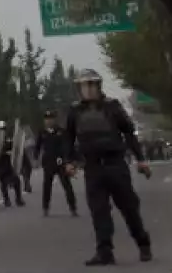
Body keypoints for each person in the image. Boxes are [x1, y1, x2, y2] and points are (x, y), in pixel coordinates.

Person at [64, 69, 153, 266]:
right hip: (92, 168)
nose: (87, 90)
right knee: (99, 211)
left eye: (90, 85)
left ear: (98, 86)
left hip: (115, 166)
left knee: (129, 208)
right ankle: (104, 251)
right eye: (83, 86)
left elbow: (129, 133)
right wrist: (69, 161)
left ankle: (143, 243)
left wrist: (140, 159)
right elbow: (69, 138)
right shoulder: (75, 111)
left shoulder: (112, 107)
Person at [35, 109, 78, 217]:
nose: (48, 121)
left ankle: (73, 208)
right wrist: (36, 156)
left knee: (67, 185)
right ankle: (45, 207)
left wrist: (67, 159)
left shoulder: (61, 131)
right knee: (47, 186)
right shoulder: (42, 132)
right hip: (48, 162)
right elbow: (38, 145)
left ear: (54, 120)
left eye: (51, 119)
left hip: (60, 162)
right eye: (46, 119)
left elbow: (66, 145)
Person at [0, 121, 25, 208]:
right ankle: (6, 200)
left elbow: (15, 148)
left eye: (3, 129)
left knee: (16, 181)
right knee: (3, 183)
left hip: (9, 165)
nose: (2, 130)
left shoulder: (8, 140)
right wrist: (4, 153)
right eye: (0, 129)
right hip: (0, 165)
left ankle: (18, 199)